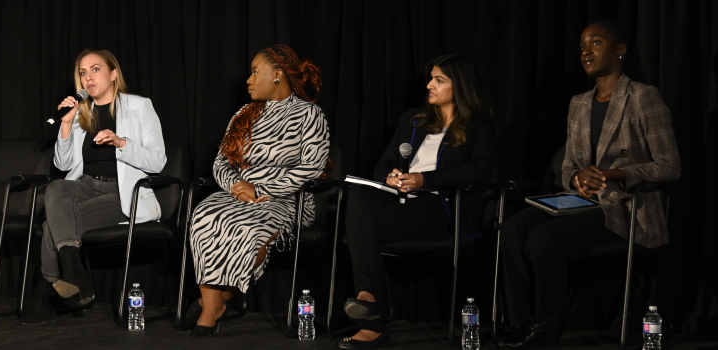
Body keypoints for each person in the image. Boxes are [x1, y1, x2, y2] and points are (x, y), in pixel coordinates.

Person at [497, 20, 681, 349]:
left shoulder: (642, 97)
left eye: (596, 43)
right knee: (511, 229)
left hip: (625, 207)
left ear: (620, 50)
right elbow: (569, 163)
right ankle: (520, 321)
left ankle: (545, 327)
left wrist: (615, 174)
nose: (586, 51)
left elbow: (669, 166)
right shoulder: (578, 103)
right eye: (582, 45)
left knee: (544, 239)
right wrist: (576, 177)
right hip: (580, 199)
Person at [340, 53, 496, 349]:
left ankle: (371, 319)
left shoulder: (479, 124)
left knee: (360, 232)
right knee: (359, 193)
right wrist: (391, 176)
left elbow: (481, 169)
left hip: (443, 206)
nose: (429, 85)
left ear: (460, 86)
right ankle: (368, 302)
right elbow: (383, 164)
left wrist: (426, 180)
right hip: (400, 199)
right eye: (431, 78)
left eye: (439, 80)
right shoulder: (414, 120)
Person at [187, 44, 329, 337]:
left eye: (255, 72)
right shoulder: (244, 113)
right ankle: (215, 304)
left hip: (287, 198)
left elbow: (311, 169)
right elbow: (221, 162)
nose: (248, 80)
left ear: (277, 75)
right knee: (204, 215)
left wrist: (261, 188)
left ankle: (216, 300)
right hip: (239, 195)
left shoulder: (309, 115)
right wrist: (236, 187)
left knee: (247, 227)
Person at [17, 49, 166, 325]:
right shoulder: (80, 112)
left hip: (120, 193)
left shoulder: (139, 106)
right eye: (83, 73)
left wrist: (122, 143)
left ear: (113, 74)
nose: (88, 78)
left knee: (52, 225)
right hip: (85, 186)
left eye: (95, 70)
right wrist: (65, 123)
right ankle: (73, 270)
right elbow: (63, 164)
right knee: (56, 188)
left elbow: (158, 162)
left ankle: (47, 291)